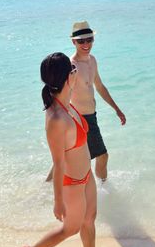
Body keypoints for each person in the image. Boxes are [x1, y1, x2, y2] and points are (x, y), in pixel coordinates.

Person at [22, 52, 115, 247]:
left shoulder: (68, 101)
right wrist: (58, 201)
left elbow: (93, 89)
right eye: (73, 70)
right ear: (67, 77)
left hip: (86, 176)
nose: (76, 72)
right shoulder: (56, 119)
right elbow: (58, 163)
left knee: (89, 218)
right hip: (72, 184)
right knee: (69, 229)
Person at [46, 21, 126, 182]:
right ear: (73, 42)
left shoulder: (92, 61)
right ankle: (104, 187)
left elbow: (100, 87)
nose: (86, 44)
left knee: (66, 155)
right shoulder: (71, 66)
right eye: (81, 41)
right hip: (80, 119)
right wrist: (60, 119)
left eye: (89, 39)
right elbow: (61, 94)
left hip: (91, 116)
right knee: (102, 155)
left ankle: (47, 186)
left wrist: (116, 109)